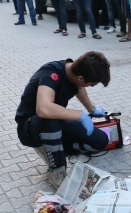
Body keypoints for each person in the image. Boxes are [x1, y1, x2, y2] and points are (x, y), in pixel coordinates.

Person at [15, 51, 111, 187]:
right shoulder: (51, 74)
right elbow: (43, 109)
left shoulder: (75, 72)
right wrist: (80, 115)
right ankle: (57, 170)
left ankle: (55, 151)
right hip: (30, 127)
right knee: (50, 119)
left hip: (54, 122)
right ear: (81, 78)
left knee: (100, 140)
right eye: (91, 84)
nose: (89, 86)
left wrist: (92, 109)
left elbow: (79, 88)